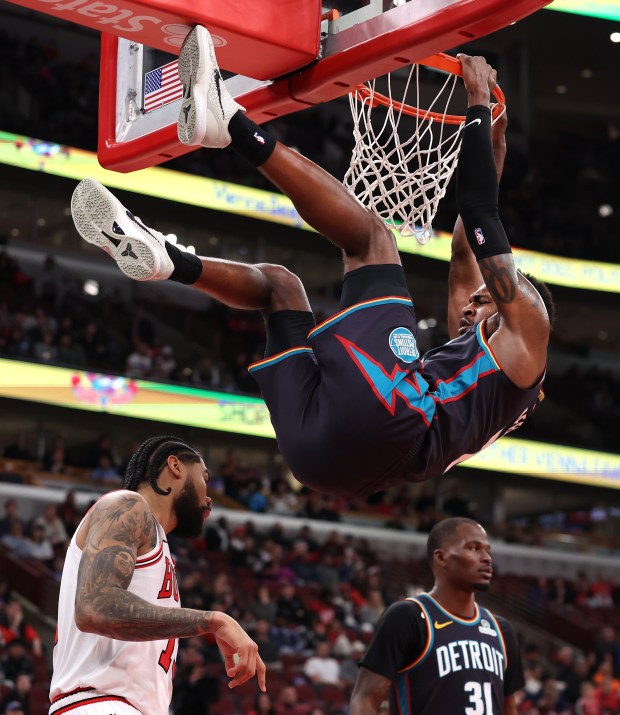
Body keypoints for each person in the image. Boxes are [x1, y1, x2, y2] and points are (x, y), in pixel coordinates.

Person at [70, 29, 554, 498]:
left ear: (518, 304)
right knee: (279, 288)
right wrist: (494, 147)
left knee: (371, 239)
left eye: (482, 299)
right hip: (321, 462)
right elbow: (466, 251)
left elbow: (480, 214)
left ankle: (230, 124)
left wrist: (475, 102)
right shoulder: (485, 361)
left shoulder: (527, 328)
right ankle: (168, 261)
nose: (468, 306)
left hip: (392, 421)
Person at [49, 435, 265, 715]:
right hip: (100, 703)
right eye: (205, 479)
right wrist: (212, 620)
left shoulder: (159, 549)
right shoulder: (126, 505)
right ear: (175, 466)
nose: (209, 500)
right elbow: (94, 607)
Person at [349, 517, 524, 714]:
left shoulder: (502, 630)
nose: (486, 558)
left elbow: (509, 708)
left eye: (487, 550)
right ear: (441, 558)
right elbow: (364, 699)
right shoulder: (409, 617)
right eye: (474, 548)